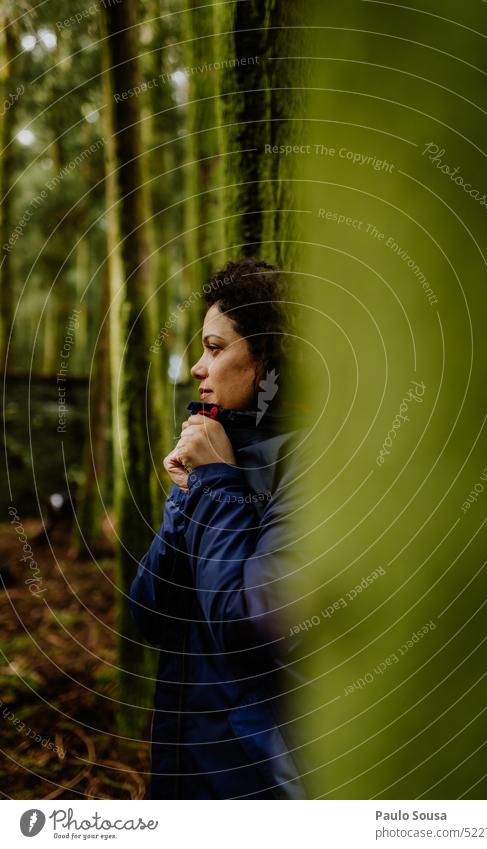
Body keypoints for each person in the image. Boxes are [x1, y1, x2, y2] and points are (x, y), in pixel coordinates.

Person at [129, 258, 313, 799]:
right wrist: (192, 494)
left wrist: (217, 483)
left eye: (214, 348)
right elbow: (150, 613)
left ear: (270, 357)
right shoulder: (220, 448)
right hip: (190, 763)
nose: (196, 368)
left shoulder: (323, 466)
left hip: (264, 784)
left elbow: (247, 628)